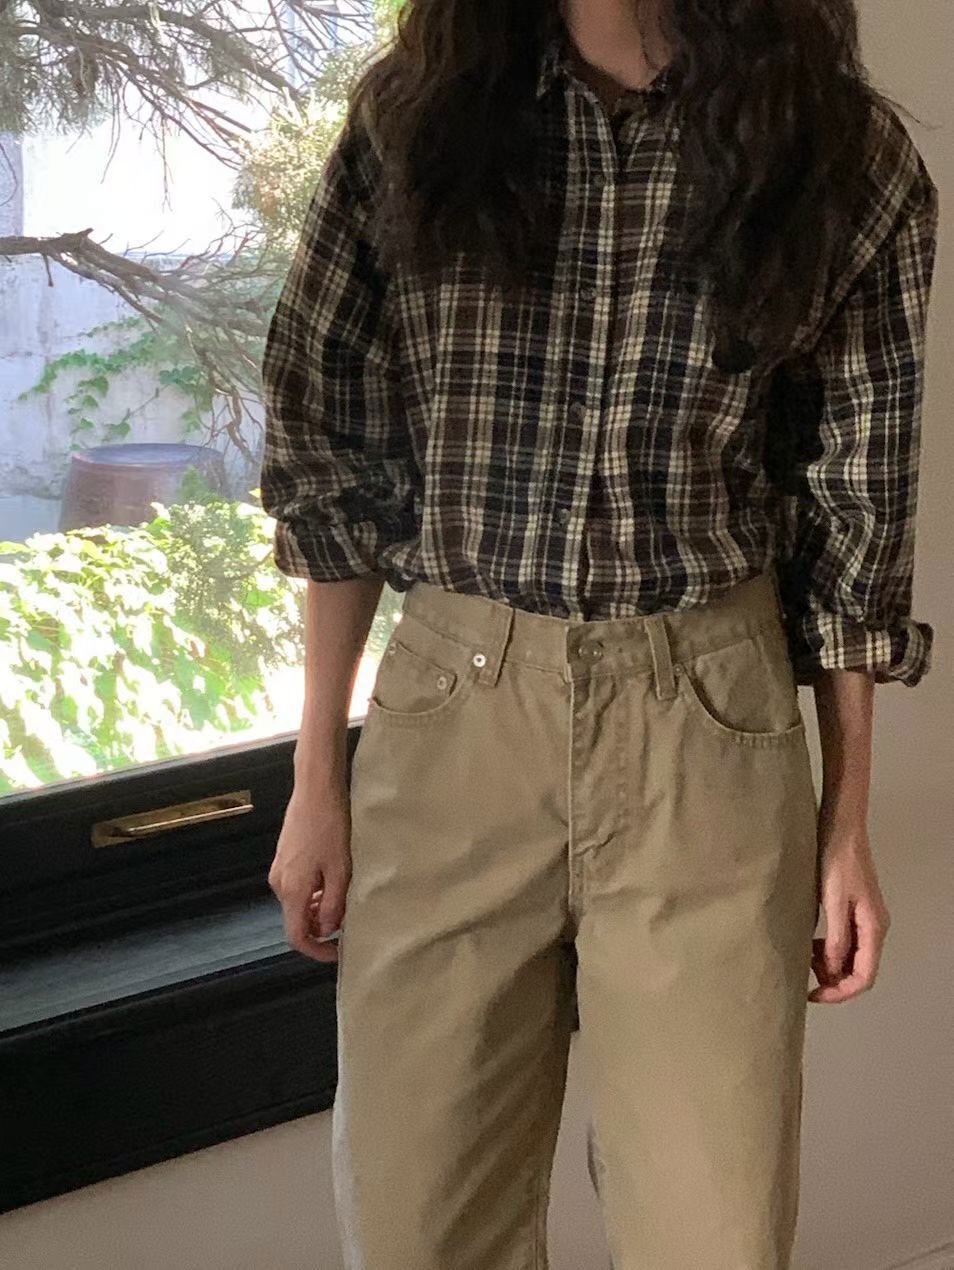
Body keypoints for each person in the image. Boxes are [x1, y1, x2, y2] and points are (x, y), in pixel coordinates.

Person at [259, 0, 939, 1266]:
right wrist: (316, 779)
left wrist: (845, 823)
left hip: (708, 719)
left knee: (715, 1226)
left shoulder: (836, 152)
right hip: (451, 715)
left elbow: (855, 512)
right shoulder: (418, 119)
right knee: (418, 1223)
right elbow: (327, 453)